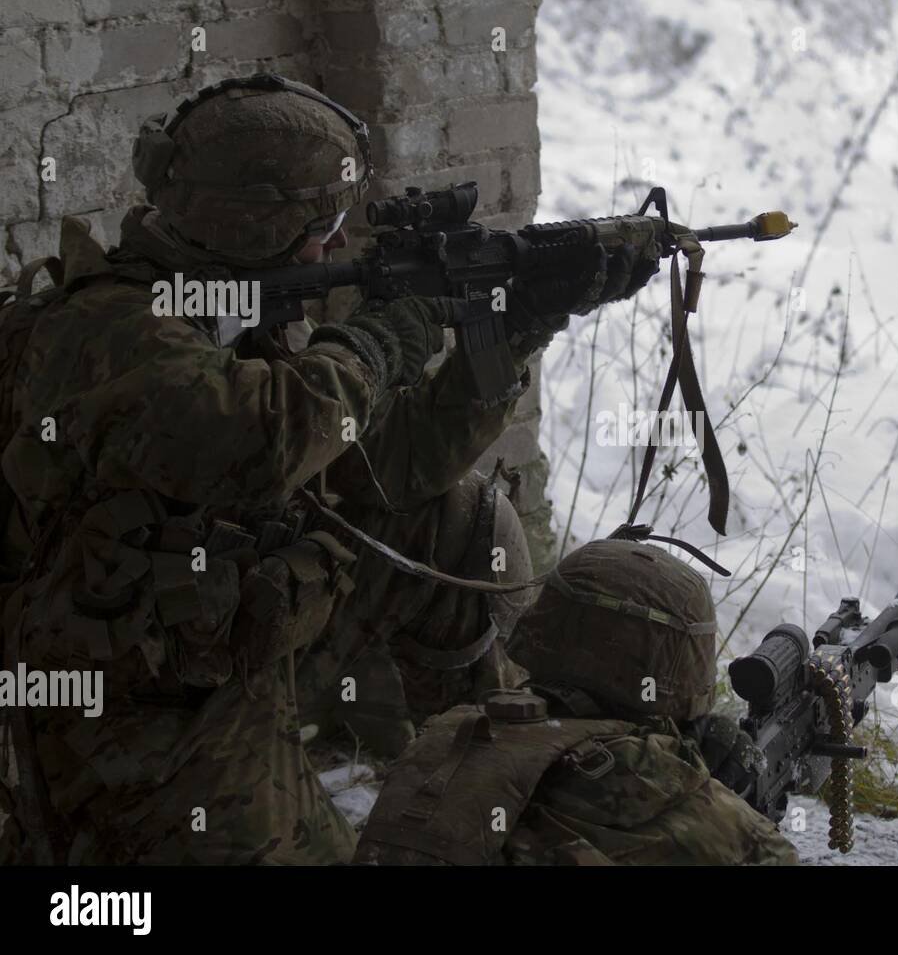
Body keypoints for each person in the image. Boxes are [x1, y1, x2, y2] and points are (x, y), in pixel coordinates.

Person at [0, 72, 657, 864]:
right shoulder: (109, 331)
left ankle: (481, 779)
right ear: (257, 224)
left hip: (228, 638)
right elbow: (258, 439)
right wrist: (379, 342)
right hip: (130, 711)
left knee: (461, 522)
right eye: (324, 223)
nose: (338, 246)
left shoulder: (227, 311)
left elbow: (386, 472)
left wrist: (520, 325)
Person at [354, 538, 800, 865]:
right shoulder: (662, 786)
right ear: (684, 667)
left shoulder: (454, 735)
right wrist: (734, 803)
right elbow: (776, 856)